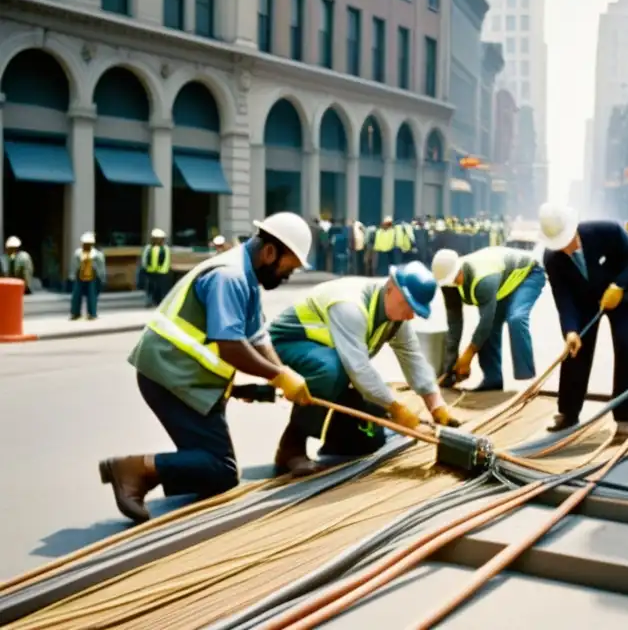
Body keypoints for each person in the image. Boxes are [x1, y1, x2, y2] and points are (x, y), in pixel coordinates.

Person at [98, 212, 315, 523]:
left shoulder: (247, 278)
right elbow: (230, 347)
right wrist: (279, 375)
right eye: (287, 268)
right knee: (220, 470)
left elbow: (256, 338)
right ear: (270, 252)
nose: (286, 276)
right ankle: (133, 469)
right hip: (168, 376)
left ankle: (145, 471)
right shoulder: (229, 277)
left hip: (189, 380)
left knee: (215, 469)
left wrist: (283, 375)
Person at [267, 262, 460, 474]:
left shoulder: (394, 317)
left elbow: (413, 357)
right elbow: (358, 369)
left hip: (327, 355)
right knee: (332, 371)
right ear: (391, 288)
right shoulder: (350, 305)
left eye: (415, 310)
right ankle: (291, 448)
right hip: (286, 344)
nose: (410, 315)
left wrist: (436, 405)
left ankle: (332, 439)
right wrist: (396, 408)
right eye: (409, 305)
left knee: (369, 423)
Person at [538, 203, 628, 439]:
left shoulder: (606, 231)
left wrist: (618, 285)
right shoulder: (552, 258)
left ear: (574, 228)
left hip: (620, 296)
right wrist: (570, 331)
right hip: (585, 301)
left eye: (567, 241)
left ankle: (624, 416)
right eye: (559, 246)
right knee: (576, 349)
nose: (566, 249)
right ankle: (568, 412)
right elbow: (564, 299)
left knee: (623, 344)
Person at [431, 246, 546, 392]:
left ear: (460, 268)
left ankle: (527, 381)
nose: (454, 284)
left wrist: (468, 355)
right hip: (503, 283)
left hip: (528, 274)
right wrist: (450, 369)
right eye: (450, 282)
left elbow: (486, 322)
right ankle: (493, 380)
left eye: (455, 279)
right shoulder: (448, 284)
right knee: (487, 331)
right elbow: (454, 325)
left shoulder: (483, 279)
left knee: (515, 318)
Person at [69, 232, 105, 320]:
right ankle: (75, 313)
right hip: (80, 277)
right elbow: (74, 265)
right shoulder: (78, 253)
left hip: (92, 278)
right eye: (85, 243)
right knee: (76, 296)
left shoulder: (97, 255)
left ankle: (92, 313)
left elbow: (101, 268)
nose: (86, 245)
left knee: (92, 296)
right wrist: (72, 275)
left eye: (88, 244)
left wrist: (102, 278)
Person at [140, 229, 172, 307]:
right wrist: (145, 268)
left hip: (162, 272)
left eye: (160, 238)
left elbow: (166, 260)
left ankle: (159, 302)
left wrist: (165, 270)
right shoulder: (149, 248)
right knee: (150, 288)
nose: (158, 240)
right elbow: (144, 259)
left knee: (160, 289)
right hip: (150, 271)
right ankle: (149, 302)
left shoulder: (165, 248)